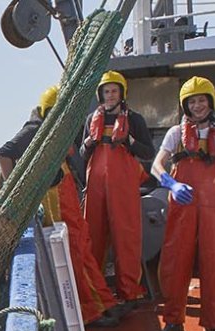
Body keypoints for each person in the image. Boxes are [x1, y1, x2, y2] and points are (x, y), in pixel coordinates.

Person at [0, 85, 123, 327]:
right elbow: (4, 154)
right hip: (53, 202)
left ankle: (103, 303)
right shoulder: (33, 129)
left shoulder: (57, 130)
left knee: (81, 247)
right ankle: (91, 312)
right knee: (73, 252)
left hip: (66, 197)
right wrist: (17, 190)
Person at [149, 77, 215, 331]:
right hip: (183, 202)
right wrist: (171, 184)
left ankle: (214, 323)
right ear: (185, 105)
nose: (198, 106)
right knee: (177, 260)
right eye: (193, 101)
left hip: (214, 201)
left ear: (211, 102)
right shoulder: (176, 133)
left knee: (213, 261)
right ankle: (173, 322)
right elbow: (156, 165)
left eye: (202, 100)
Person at [82, 71, 156, 312]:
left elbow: (148, 153)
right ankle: (95, 290)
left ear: (122, 94)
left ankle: (130, 292)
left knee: (126, 236)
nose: (110, 95)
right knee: (93, 235)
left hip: (123, 185)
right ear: (100, 94)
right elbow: (83, 157)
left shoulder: (135, 120)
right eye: (106, 91)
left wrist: (130, 142)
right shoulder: (90, 120)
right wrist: (88, 143)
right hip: (95, 186)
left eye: (114, 91)